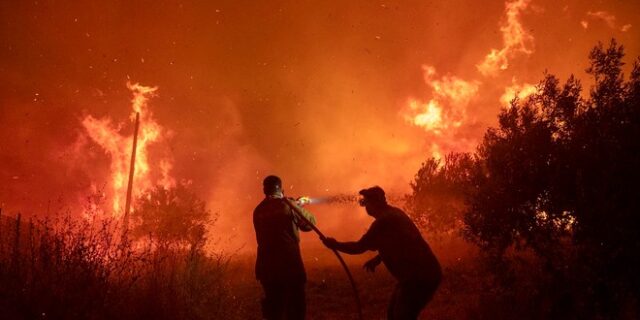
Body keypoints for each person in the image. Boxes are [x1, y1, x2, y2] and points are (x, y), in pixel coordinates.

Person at [323, 186, 441, 320]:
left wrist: (335, 244)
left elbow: (359, 247)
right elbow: (401, 242)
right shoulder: (395, 213)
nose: (364, 205)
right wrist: (378, 259)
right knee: (393, 315)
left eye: (366, 201)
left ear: (374, 203)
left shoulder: (383, 222)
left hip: (419, 278)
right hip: (420, 274)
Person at [253, 175, 317, 320]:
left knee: (274, 309)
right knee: (295, 307)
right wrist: (296, 205)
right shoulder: (289, 205)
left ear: (264, 190)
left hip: (267, 268)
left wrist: (293, 204)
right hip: (289, 266)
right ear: (282, 189)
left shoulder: (258, 210)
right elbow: (310, 223)